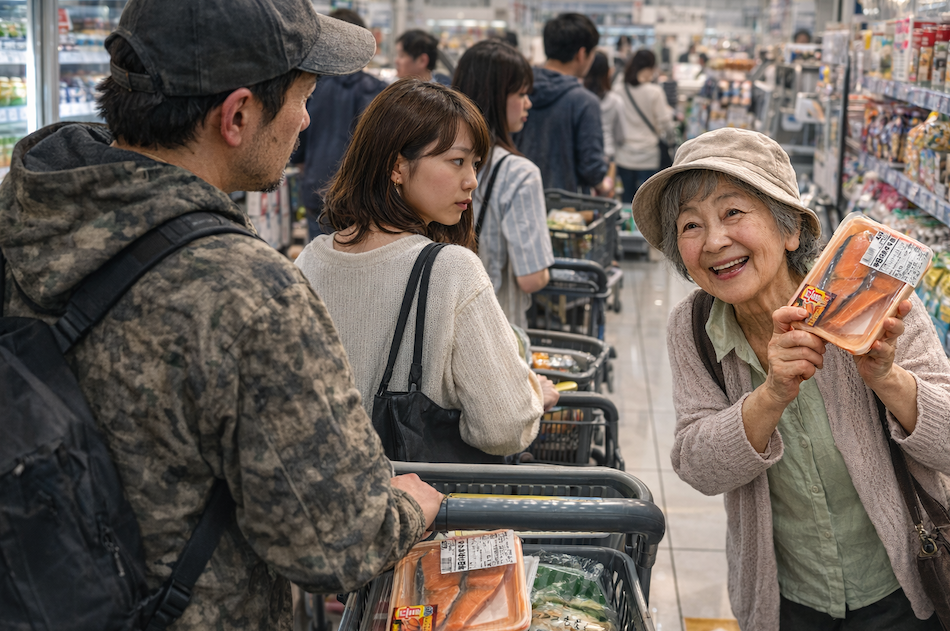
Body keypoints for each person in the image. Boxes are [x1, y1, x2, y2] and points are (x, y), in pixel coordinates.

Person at [0, 0, 444, 629]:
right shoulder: (250, 293)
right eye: (302, 97)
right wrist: (403, 508)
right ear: (237, 115)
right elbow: (335, 543)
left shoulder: (20, 214)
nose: (306, 119)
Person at [630, 128, 950, 631]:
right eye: (691, 225)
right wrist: (772, 394)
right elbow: (698, 466)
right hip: (788, 602)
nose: (714, 241)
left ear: (790, 230)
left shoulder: (868, 299)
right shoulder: (693, 330)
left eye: (733, 212)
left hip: (907, 589)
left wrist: (887, 378)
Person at [294, 79, 559, 460]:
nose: (471, 180)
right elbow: (504, 426)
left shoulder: (308, 261)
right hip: (424, 509)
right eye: (457, 161)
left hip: (329, 497)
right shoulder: (451, 270)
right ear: (397, 166)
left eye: (475, 164)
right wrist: (536, 394)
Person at [452, 40, 555, 327]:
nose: (528, 103)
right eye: (521, 93)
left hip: (438, 328)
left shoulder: (435, 159)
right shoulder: (518, 173)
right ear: (496, 97)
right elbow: (532, 278)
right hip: (494, 327)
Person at [293, 9, 386, 241]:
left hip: (318, 190)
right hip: (364, 199)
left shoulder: (310, 88)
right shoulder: (379, 92)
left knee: (318, 266)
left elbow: (299, 150)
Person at [512, 13, 611, 195]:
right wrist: (604, 184)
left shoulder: (516, 90)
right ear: (582, 54)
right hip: (566, 209)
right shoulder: (584, 102)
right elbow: (592, 168)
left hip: (516, 194)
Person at [615, 50, 673, 204]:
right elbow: (666, 122)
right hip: (648, 155)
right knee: (647, 204)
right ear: (649, 68)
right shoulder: (655, 92)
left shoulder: (619, 89)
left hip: (624, 154)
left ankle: (626, 227)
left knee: (627, 199)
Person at [584, 51, 626, 167]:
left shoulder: (579, 99)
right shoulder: (615, 101)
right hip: (607, 155)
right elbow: (621, 136)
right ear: (607, 71)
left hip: (583, 156)